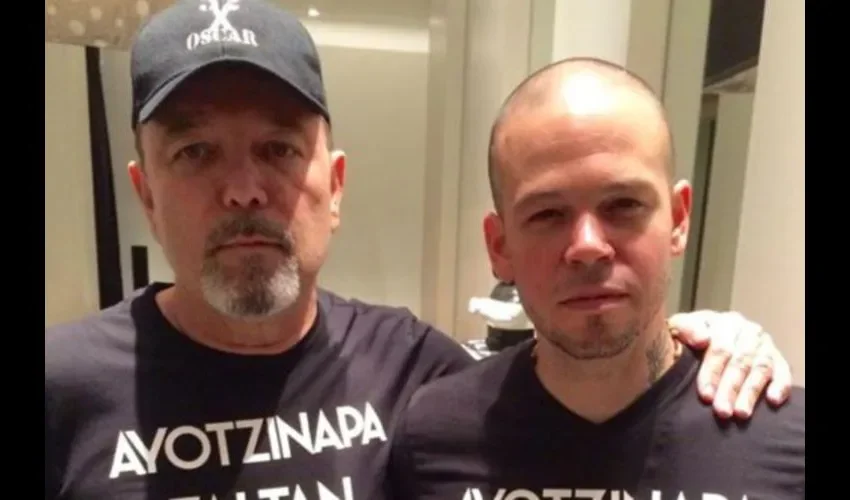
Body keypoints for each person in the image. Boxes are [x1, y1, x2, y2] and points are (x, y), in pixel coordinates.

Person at [44, 2, 796, 499]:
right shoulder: (61, 387)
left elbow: (585, 367)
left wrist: (712, 337)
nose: (243, 190)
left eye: (279, 149)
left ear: (336, 185)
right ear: (145, 194)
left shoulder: (418, 374)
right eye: (196, 152)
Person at [388, 57, 805, 499]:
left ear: (679, 220)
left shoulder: (785, 443)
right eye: (547, 214)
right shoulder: (433, 437)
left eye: (624, 205)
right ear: (500, 246)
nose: (588, 246)